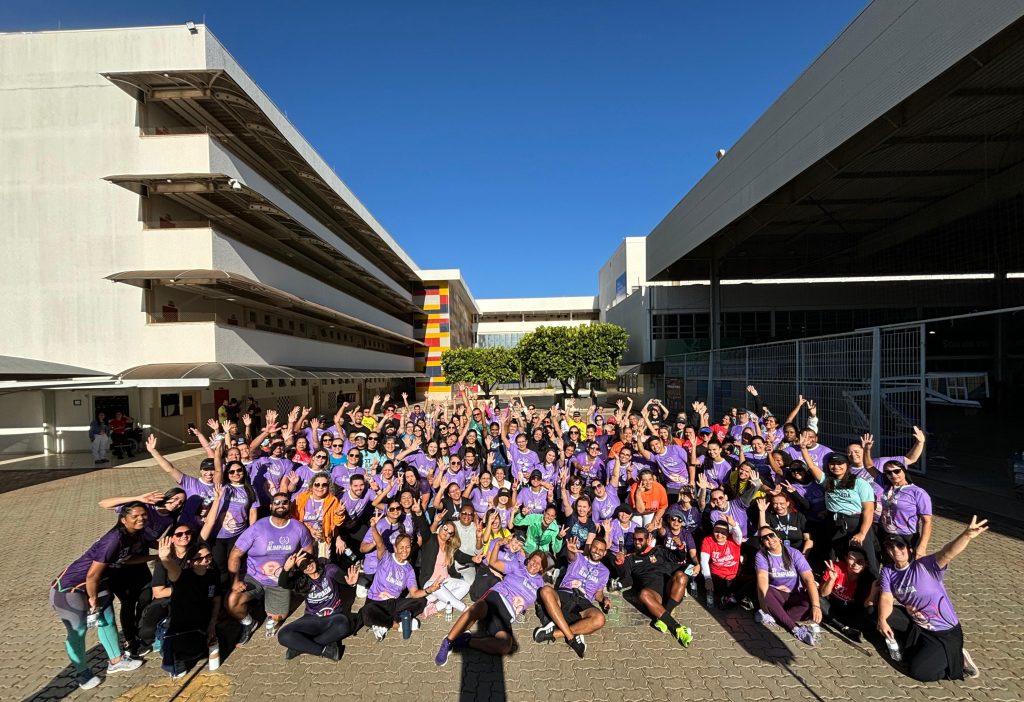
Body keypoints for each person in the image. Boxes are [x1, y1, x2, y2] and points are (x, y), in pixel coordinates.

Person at [49, 502, 149, 689]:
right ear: (123, 519)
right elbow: (92, 574)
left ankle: (116, 661)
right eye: (135, 516)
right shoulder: (114, 538)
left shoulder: (133, 535)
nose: (140, 519)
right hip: (69, 589)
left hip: (97, 584)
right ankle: (82, 673)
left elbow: (124, 560)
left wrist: (155, 557)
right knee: (78, 630)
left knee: (107, 620)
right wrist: (92, 600)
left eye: (143, 515)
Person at [877, 517, 988, 682]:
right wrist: (882, 620)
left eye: (900, 545)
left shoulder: (925, 566)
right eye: (890, 547)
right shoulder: (888, 571)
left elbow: (947, 552)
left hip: (943, 632)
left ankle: (958, 657)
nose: (896, 550)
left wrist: (966, 535)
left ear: (909, 549)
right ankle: (911, 645)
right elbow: (886, 598)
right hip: (918, 625)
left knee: (920, 672)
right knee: (878, 613)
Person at [434, 547, 548, 665]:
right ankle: (448, 641)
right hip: (497, 596)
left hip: (508, 614)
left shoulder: (540, 584)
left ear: (541, 568)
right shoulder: (517, 566)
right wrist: (498, 544)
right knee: (478, 607)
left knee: (505, 645)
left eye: (538, 563)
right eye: (532, 560)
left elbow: (541, 602)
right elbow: (493, 563)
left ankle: (465, 641)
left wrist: (523, 603)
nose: (534, 564)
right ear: (528, 560)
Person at [227, 492, 314, 643]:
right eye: (277, 502)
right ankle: (249, 623)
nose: (281, 505)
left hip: (280, 582)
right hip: (254, 577)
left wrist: (296, 574)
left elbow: (308, 553)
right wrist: (234, 581)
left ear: (290, 505)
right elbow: (235, 554)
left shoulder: (299, 528)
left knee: (277, 617)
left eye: (285, 502)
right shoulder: (257, 527)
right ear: (271, 506)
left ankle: (266, 605)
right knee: (232, 602)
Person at [533, 538, 612, 658]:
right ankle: (572, 637)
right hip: (566, 593)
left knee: (600, 619)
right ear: (590, 547)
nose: (597, 551)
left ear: (605, 553)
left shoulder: (605, 572)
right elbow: (571, 557)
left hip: (583, 601)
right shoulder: (578, 558)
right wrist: (570, 550)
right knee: (545, 591)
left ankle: (554, 633)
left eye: (601, 550)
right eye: (595, 547)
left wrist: (604, 599)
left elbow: (598, 593)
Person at [155, 536, 221, 678]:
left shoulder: (213, 575)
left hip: (202, 624)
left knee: (209, 647)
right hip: (181, 628)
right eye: (199, 558)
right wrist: (165, 558)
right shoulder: (182, 576)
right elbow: (172, 570)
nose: (205, 561)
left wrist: (212, 624)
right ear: (190, 562)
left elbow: (216, 600)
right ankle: (163, 641)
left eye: (208, 556)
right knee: (179, 664)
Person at [277, 553, 359, 660]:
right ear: (301, 570)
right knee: (283, 635)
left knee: (344, 624)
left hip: (333, 618)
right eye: (303, 566)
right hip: (312, 619)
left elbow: (341, 576)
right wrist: (286, 568)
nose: (308, 566)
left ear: (313, 559)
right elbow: (283, 583)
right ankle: (326, 651)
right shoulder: (301, 580)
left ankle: (301, 647)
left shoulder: (328, 569)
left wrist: (349, 582)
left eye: (308, 562)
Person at [622, 528, 694, 647]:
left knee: (682, 576)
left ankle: (664, 616)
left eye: (640, 539)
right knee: (643, 594)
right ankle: (678, 628)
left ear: (648, 539)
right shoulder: (630, 558)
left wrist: (680, 547)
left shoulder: (659, 550)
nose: (637, 542)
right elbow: (625, 576)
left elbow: (678, 559)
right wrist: (619, 563)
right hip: (654, 596)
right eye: (634, 539)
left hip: (670, 591)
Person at [359, 521, 429, 641]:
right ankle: (396, 625)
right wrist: (373, 527)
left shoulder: (409, 569)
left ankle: (382, 622)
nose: (404, 550)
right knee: (366, 611)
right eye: (401, 547)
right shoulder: (386, 557)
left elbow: (414, 593)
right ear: (395, 548)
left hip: (393, 604)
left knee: (421, 602)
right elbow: (380, 543)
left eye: (407, 547)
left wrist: (429, 590)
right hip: (375, 602)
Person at [753, 526, 822, 646]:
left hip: (794, 595)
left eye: (772, 535)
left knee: (808, 604)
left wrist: (816, 606)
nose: (769, 539)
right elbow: (762, 579)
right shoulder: (761, 555)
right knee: (767, 592)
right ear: (762, 542)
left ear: (779, 537)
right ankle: (795, 629)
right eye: (765, 538)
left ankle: (775, 616)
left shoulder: (794, 553)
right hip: (776, 596)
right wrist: (764, 606)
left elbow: (809, 579)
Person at [416, 513, 474, 618]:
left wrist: (473, 559)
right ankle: (465, 609)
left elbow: (460, 556)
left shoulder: (449, 547)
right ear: (441, 527)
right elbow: (424, 529)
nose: (446, 533)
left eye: (450, 533)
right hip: (430, 581)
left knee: (465, 585)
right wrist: (420, 514)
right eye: (445, 529)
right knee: (439, 589)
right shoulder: (431, 539)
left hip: (446, 580)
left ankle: (434, 607)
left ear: (451, 537)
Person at [878, 460, 933, 556]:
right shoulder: (887, 488)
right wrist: (867, 449)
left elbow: (927, 521)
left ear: (904, 471)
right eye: (888, 472)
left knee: (906, 567)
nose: (893, 475)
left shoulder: (918, 492)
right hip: (887, 534)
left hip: (907, 536)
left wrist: (922, 546)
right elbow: (869, 466)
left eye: (897, 471)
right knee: (890, 566)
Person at [819, 548, 875, 641]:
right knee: (817, 599)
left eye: (860, 561)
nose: (855, 564)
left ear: (866, 563)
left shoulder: (869, 579)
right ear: (845, 558)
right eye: (852, 559)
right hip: (832, 604)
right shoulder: (836, 568)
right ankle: (842, 627)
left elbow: (866, 606)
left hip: (851, 609)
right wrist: (831, 579)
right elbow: (823, 594)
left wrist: (874, 591)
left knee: (870, 622)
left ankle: (834, 621)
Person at [700, 519, 746, 608]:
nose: (719, 535)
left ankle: (729, 597)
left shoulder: (734, 540)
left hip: (732, 577)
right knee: (713, 587)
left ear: (728, 533)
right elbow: (704, 561)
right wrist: (708, 579)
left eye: (723, 532)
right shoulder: (708, 540)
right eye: (716, 531)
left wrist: (734, 524)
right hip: (716, 576)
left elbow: (739, 534)